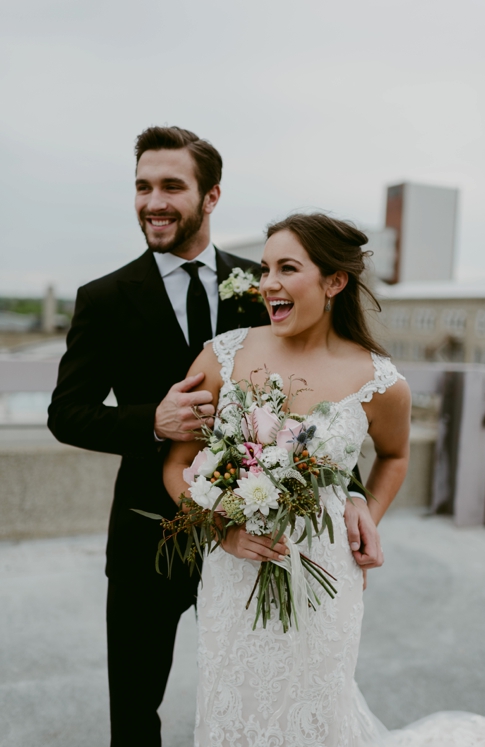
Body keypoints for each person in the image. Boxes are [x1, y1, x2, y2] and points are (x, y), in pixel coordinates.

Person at [46, 127, 374, 746]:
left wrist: (352, 491)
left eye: (172, 185)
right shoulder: (104, 298)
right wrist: (151, 420)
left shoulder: (269, 284)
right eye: (142, 187)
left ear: (212, 195)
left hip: (261, 541)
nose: (153, 202)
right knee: (137, 713)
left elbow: (321, 395)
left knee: (264, 700)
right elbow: (67, 413)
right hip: (149, 536)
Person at [163, 213, 485, 746]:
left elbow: (394, 457)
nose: (268, 282)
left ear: (334, 281)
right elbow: (177, 465)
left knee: (314, 710)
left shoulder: (381, 382)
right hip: (233, 570)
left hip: (325, 569)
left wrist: (368, 509)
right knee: (233, 704)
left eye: (287, 268)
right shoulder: (219, 356)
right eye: (265, 268)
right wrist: (219, 526)